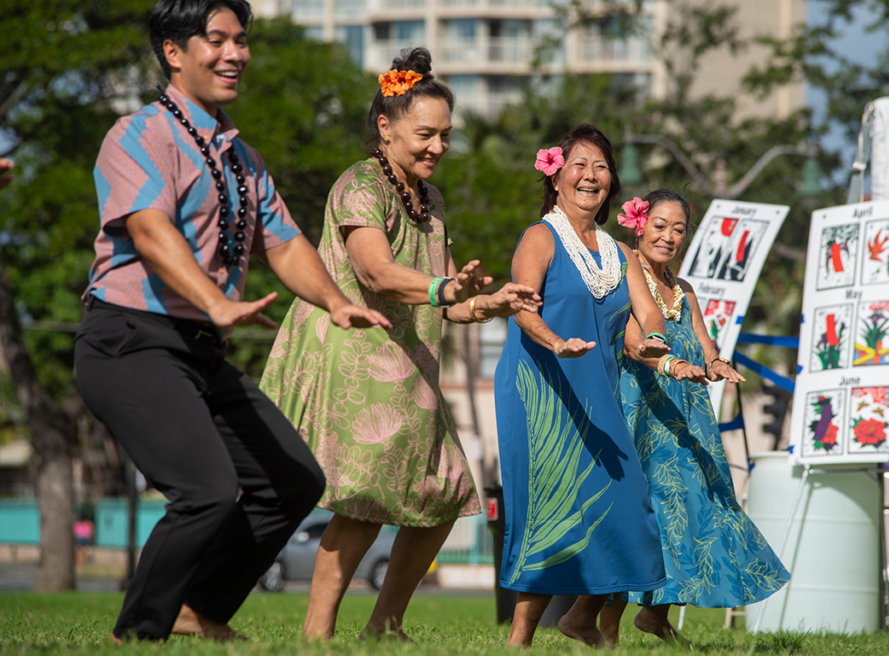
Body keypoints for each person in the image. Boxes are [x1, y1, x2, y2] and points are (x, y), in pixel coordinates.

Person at [73, 0, 389, 642]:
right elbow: (151, 228)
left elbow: (285, 242)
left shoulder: (242, 159)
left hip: (196, 350)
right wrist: (215, 300)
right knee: (206, 489)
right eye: (217, 39)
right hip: (128, 339)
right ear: (174, 52)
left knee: (292, 479)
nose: (235, 53)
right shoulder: (138, 135)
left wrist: (335, 300)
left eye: (241, 40)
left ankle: (198, 607)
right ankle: (138, 630)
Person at [259, 47, 541, 642]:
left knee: (447, 492)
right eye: (425, 134)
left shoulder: (430, 201)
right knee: (364, 501)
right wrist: (443, 287)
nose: (438, 146)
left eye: (445, 135)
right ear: (385, 128)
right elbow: (377, 273)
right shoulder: (361, 184)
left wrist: (490, 302)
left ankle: (384, 625)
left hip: (408, 362)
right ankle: (316, 634)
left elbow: (446, 297)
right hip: (356, 353)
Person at [493, 124, 672, 648]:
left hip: (598, 390)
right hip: (540, 389)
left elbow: (645, 317)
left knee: (628, 502)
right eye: (579, 164)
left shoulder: (619, 253)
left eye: (600, 166)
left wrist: (652, 344)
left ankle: (578, 617)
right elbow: (523, 305)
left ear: (612, 181)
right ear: (556, 175)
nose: (591, 176)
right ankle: (520, 637)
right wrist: (554, 341)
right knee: (549, 507)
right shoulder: (540, 236)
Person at [600, 189, 790, 645]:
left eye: (678, 229)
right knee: (638, 517)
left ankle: (655, 616)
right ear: (639, 225)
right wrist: (667, 364)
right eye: (660, 225)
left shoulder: (683, 291)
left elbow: (705, 345)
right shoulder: (626, 279)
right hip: (641, 417)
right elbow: (632, 340)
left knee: (693, 511)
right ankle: (604, 630)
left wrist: (716, 364)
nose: (668, 236)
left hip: (686, 422)